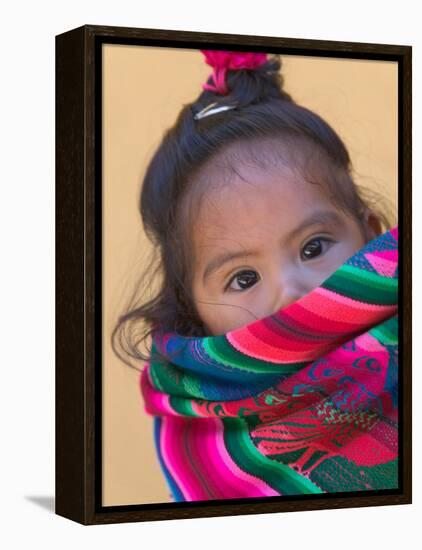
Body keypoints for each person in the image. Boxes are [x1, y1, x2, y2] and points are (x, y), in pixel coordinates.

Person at [111, 50, 398, 502]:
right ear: (195, 311)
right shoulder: (204, 435)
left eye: (313, 247)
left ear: (371, 235)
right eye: (243, 279)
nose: (291, 292)